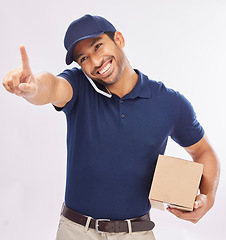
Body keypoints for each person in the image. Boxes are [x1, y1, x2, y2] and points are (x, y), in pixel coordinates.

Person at [2, 14, 220, 240]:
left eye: (98, 46)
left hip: (136, 233)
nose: (95, 62)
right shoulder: (78, 87)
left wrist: (208, 197)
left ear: (119, 39)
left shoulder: (170, 103)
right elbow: (51, 86)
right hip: (76, 232)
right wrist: (33, 86)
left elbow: (203, 152)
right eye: (84, 58)